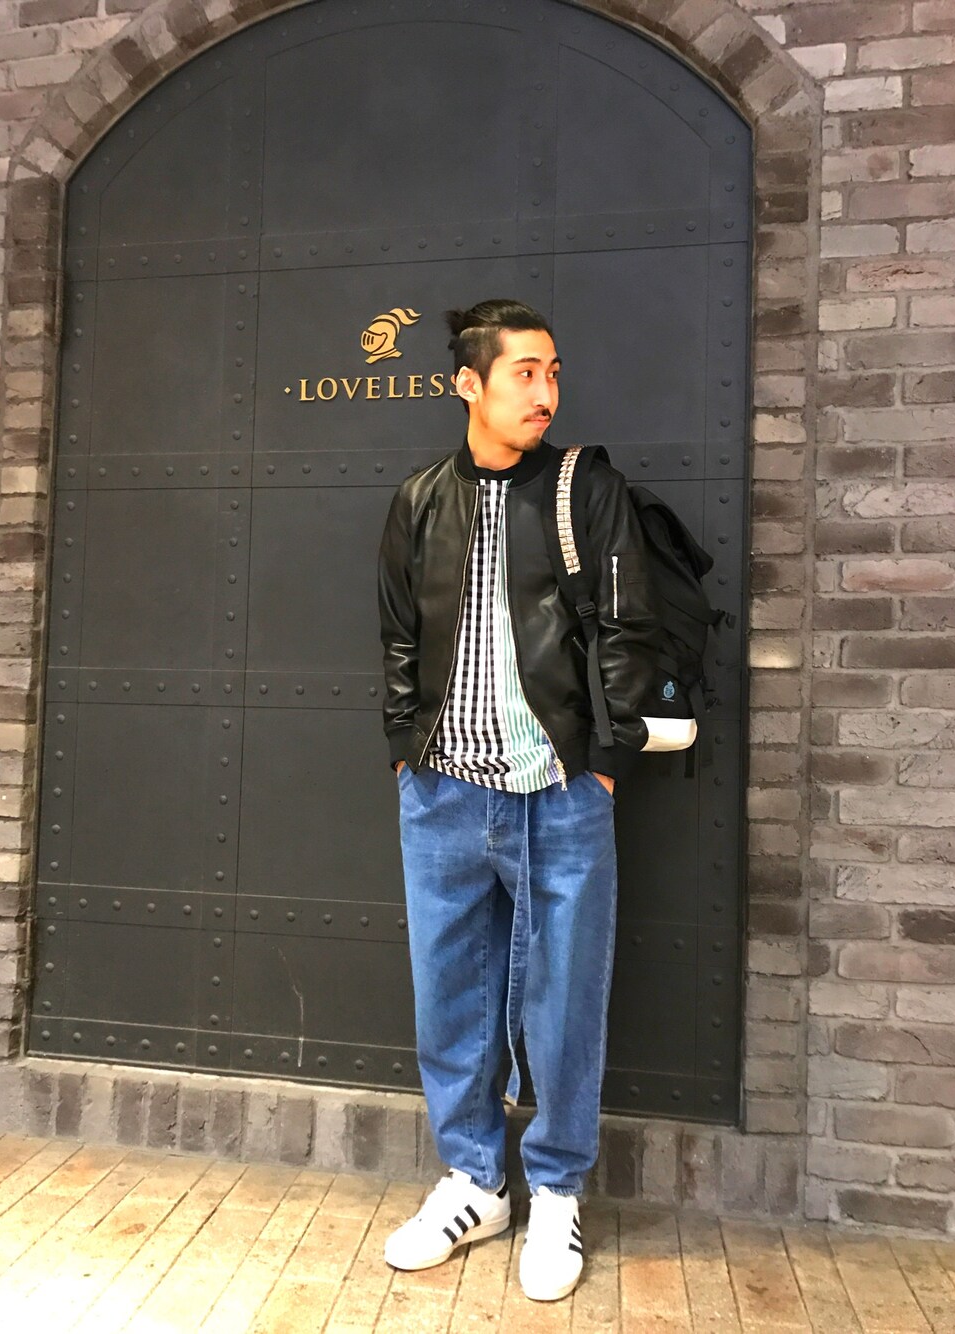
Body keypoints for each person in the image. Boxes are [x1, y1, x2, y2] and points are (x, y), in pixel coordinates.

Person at [376, 298, 659, 1301]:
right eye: (524, 373)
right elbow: (398, 635)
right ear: (469, 383)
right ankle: (473, 1181)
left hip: (558, 789)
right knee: (449, 996)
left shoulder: (587, 488)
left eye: (552, 372)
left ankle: (557, 1190)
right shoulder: (419, 499)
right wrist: (406, 751)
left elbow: (630, 627)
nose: (545, 392)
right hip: (443, 790)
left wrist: (605, 761)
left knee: (564, 1001)